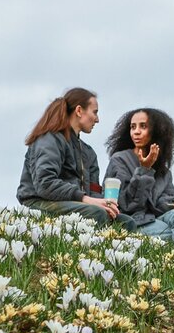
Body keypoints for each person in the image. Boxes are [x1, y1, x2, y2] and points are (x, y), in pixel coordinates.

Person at [16, 88, 136, 230]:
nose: (97, 119)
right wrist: (85, 199)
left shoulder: (89, 153)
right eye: (95, 112)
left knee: (126, 222)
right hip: (38, 203)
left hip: (77, 204)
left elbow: (93, 191)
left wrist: (105, 204)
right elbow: (45, 184)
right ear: (79, 111)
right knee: (96, 213)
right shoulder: (49, 139)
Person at [103, 108, 174, 244]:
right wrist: (144, 169)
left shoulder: (164, 171)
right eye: (133, 127)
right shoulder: (119, 160)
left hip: (154, 220)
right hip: (131, 223)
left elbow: (159, 204)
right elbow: (128, 205)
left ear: (157, 131)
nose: (136, 131)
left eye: (143, 126)